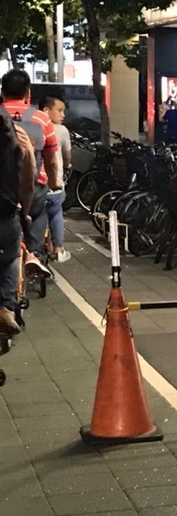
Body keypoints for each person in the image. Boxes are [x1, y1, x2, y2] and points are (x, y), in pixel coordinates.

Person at [0, 70, 60, 280]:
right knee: (39, 213)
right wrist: (54, 182)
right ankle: (34, 255)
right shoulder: (42, 119)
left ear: (2, 92)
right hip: (34, 185)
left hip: (3, 189)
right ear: (28, 93)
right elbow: (51, 159)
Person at [0, 114, 36, 336]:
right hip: (5, 213)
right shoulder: (15, 135)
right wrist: (25, 211)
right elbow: (28, 182)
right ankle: (5, 307)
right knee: (11, 256)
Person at [39, 95, 73, 263]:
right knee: (55, 211)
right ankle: (58, 248)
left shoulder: (31, 125)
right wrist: (67, 166)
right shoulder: (61, 130)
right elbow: (67, 155)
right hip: (54, 183)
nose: (63, 115)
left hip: (33, 184)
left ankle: (38, 249)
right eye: (59, 110)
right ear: (46, 110)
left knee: (36, 214)